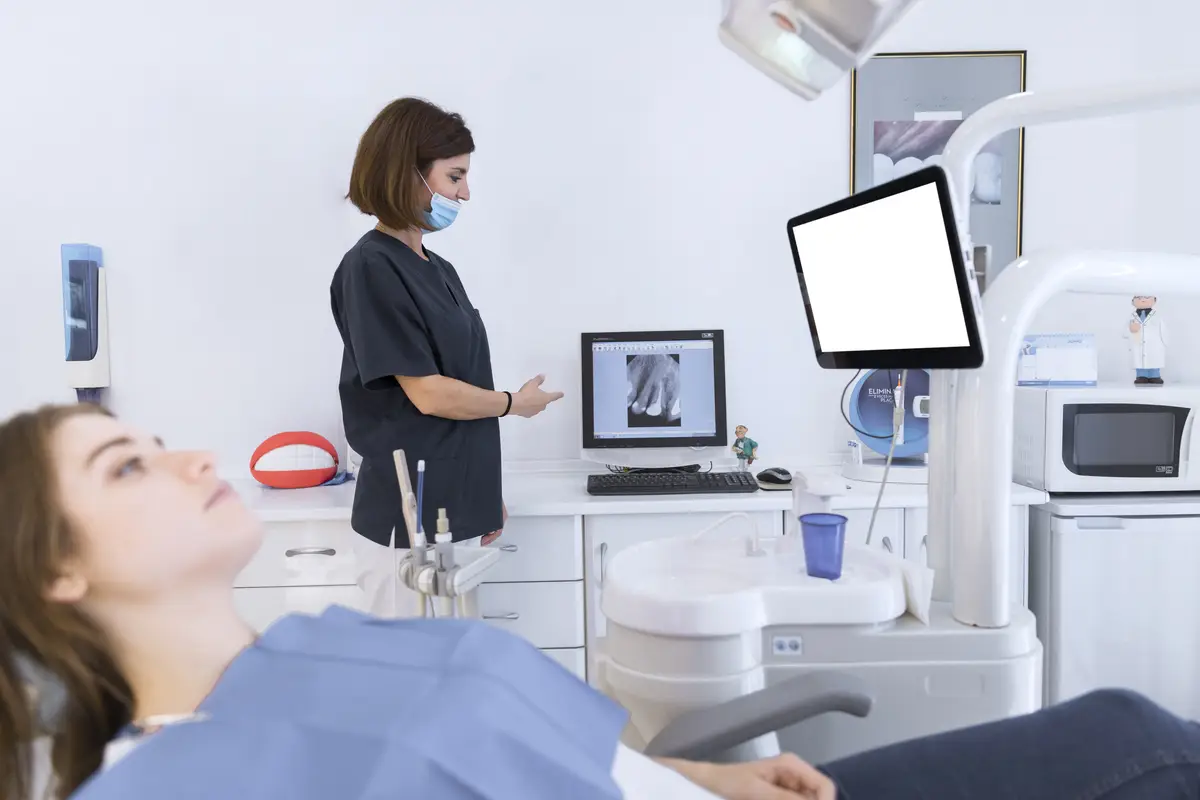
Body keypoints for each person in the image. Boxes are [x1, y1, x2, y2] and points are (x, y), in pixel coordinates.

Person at [0, 404, 1198, 799]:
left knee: (1120, 719)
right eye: (130, 466)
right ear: (54, 567)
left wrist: (705, 776)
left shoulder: (320, 637)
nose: (193, 459)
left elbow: (550, 746)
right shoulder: (168, 785)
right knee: (1136, 751)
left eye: (161, 440)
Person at [330, 98, 564, 617]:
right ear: (407, 172)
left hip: (454, 510)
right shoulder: (370, 268)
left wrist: (481, 493)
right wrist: (513, 403)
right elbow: (429, 393)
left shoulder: (439, 270)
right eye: (454, 176)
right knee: (412, 685)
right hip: (406, 526)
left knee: (455, 675)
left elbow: (460, 382)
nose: (464, 192)